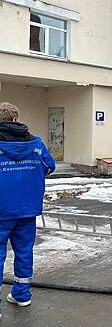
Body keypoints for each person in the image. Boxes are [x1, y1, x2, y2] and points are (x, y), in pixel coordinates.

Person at [0, 102, 55, 317]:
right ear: (15, 119)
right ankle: (22, 295)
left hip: (1, 210)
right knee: (24, 252)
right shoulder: (36, 143)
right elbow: (49, 167)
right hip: (27, 209)